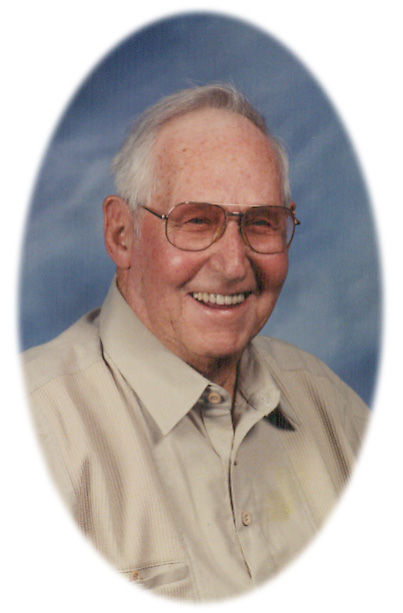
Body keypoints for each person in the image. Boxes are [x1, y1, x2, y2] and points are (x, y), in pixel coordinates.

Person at [23, 84, 369, 601]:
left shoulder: (331, 407)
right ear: (121, 234)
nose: (232, 265)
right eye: (197, 222)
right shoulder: (35, 430)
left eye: (261, 223)